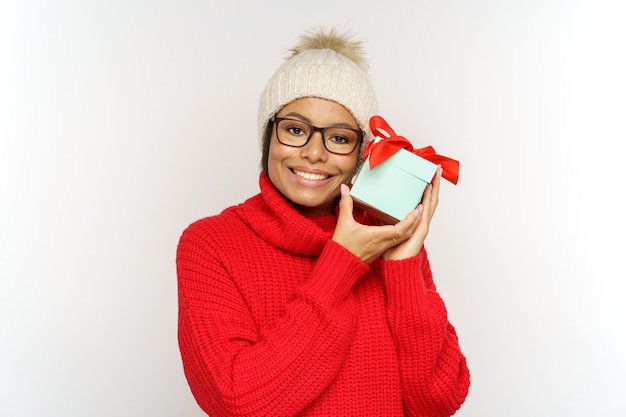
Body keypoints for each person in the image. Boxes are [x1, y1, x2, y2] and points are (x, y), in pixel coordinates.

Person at [176, 27, 470, 417]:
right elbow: (236, 403)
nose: (314, 153)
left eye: (339, 138)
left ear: (362, 154)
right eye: (295, 130)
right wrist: (341, 264)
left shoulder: (387, 237)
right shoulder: (210, 244)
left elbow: (437, 402)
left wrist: (402, 266)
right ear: (268, 137)